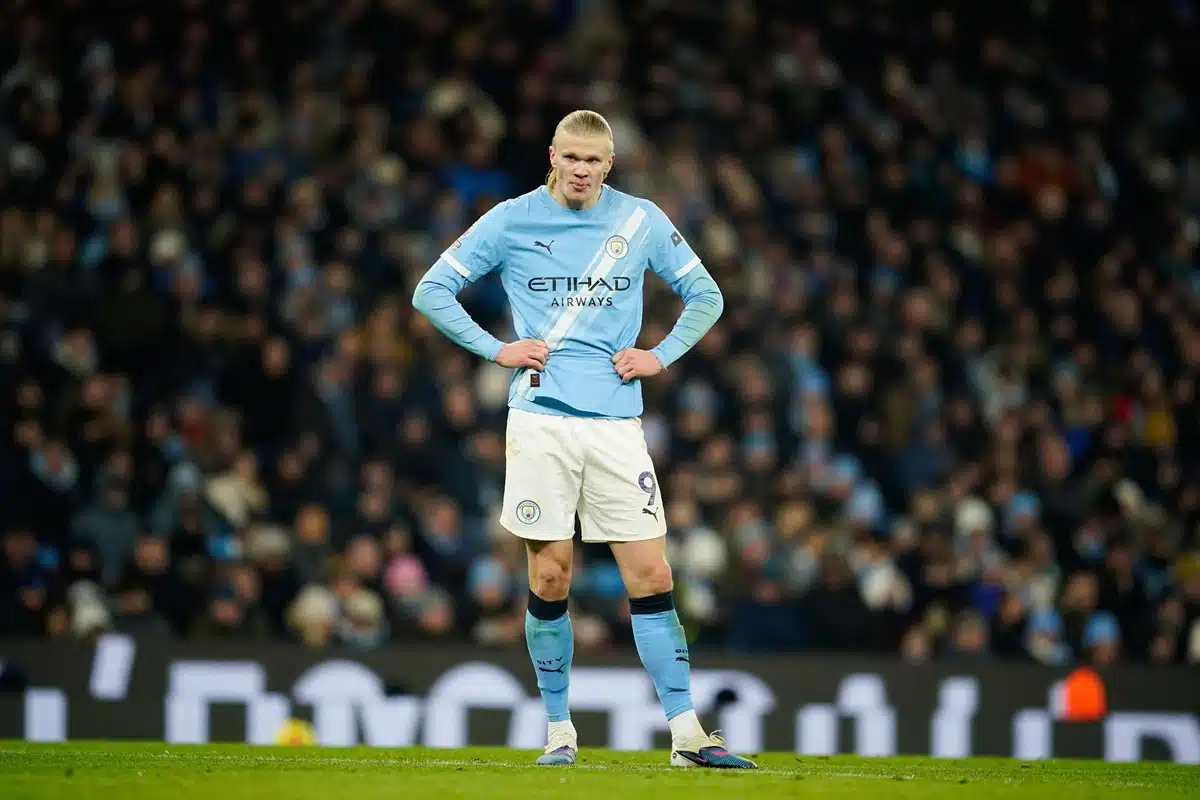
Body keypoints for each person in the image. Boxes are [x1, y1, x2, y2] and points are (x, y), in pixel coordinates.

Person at [412, 110, 756, 769]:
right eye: (570, 157)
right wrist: (496, 349)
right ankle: (558, 731)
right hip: (541, 420)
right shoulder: (511, 219)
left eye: (592, 160)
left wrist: (659, 355)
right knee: (550, 574)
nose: (579, 170)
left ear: (609, 164)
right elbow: (432, 290)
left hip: (616, 423)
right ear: (552, 155)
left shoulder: (640, 219)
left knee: (653, 573)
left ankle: (687, 735)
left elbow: (705, 295)